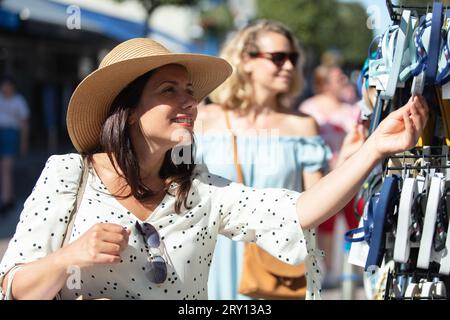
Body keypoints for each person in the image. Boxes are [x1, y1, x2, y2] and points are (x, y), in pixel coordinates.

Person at [0, 38, 428, 300]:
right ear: (128, 110)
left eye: (189, 91)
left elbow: (300, 210)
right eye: (169, 91)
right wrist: (70, 258)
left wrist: (374, 148)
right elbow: (14, 286)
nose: (190, 102)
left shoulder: (198, 188)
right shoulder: (69, 176)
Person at [195, 20, 331, 300]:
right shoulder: (204, 120)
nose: (290, 66)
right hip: (213, 261)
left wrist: (354, 159)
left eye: (293, 58)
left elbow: (318, 203)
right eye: (278, 58)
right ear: (245, 60)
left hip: (279, 264)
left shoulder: (302, 126)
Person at [298, 64, 363, 286]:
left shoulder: (352, 109)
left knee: (356, 224)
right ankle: (327, 274)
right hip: (323, 178)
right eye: (338, 78)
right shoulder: (308, 110)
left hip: (351, 177)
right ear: (324, 84)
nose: (344, 80)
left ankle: (357, 274)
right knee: (325, 225)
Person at [0, 76, 29, 215]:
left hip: (11, 134)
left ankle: (6, 199)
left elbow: (24, 123)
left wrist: (23, 142)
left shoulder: (19, 101)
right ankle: (8, 197)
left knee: (6, 167)